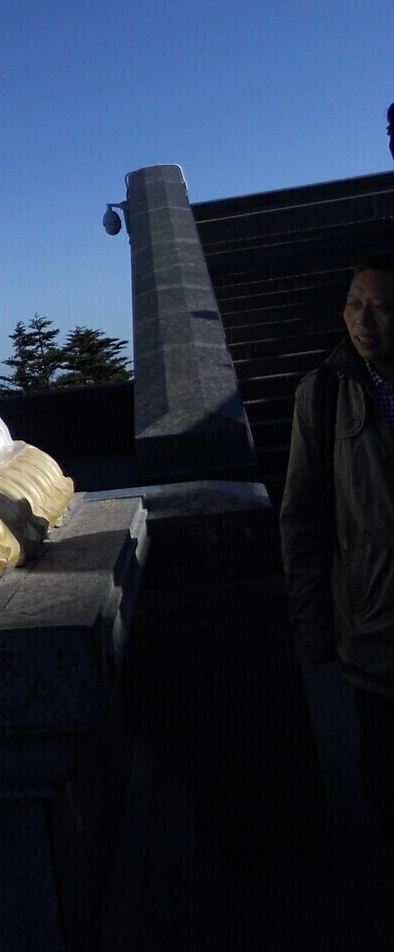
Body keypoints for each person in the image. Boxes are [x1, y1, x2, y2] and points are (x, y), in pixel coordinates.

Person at [281, 257, 394, 847]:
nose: (363, 319)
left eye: (380, 305)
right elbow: (302, 517)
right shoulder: (323, 395)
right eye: (354, 304)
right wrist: (313, 626)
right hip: (376, 636)